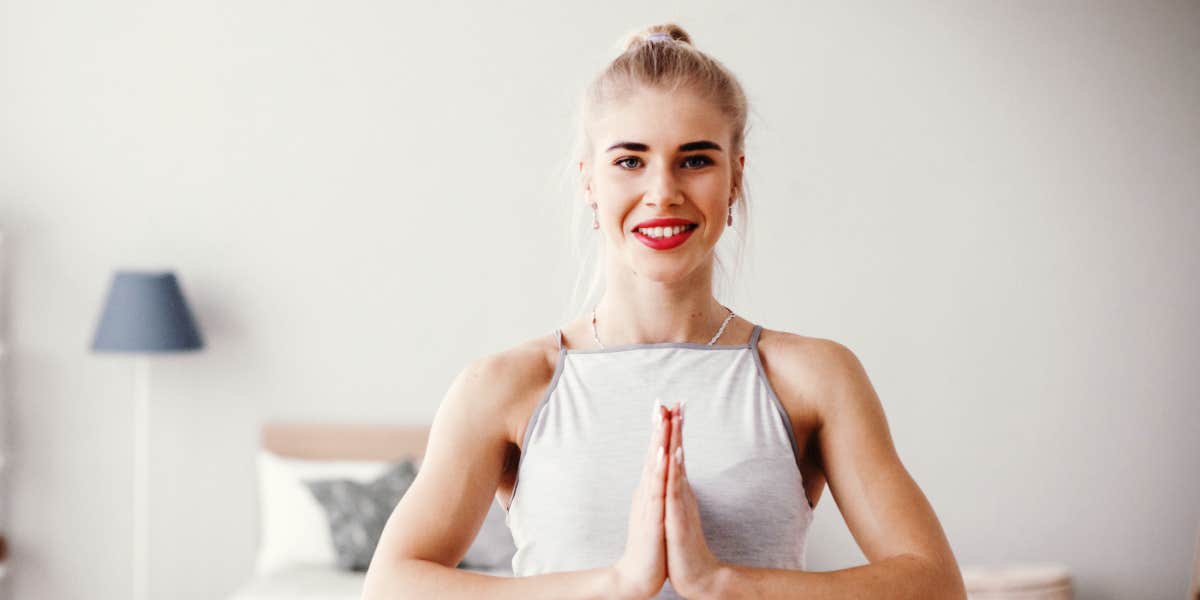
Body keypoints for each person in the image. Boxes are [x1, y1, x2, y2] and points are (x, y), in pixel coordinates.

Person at [363, 23, 966, 600]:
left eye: (696, 159)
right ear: (589, 182)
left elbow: (934, 585)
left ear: (734, 180)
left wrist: (717, 582)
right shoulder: (507, 386)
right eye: (630, 161)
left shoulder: (814, 378)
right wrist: (618, 582)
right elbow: (392, 587)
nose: (663, 192)